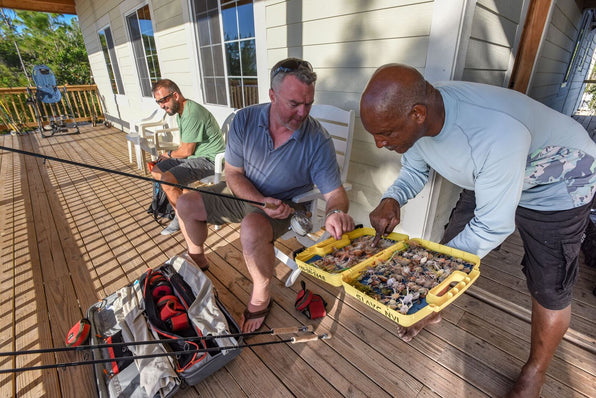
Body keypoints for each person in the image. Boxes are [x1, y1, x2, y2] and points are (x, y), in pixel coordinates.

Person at [360, 64, 596, 398]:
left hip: (559, 184)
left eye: (386, 134)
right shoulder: (417, 112)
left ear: (416, 114)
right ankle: (433, 309)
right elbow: (415, 166)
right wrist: (392, 197)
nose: (379, 143)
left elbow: (494, 224)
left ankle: (536, 371)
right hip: (491, 173)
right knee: (450, 247)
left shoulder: (493, 132)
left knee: (549, 284)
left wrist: (434, 269)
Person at [176, 58, 355, 333]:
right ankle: (198, 258)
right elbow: (233, 174)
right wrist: (259, 201)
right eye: (294, 104)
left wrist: (334, 213)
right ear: (272, 95)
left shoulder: (318, 140)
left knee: (251, 227)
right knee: (186, 202)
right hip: (244, 191)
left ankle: (261, 294)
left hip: (287, 206)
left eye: (308, 103)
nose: (303, 112)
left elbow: (335, 194)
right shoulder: (245, 119)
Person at [150, 79, 225, 235]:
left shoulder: (192, 113)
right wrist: (169, 157)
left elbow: (186, 151)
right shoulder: (180, 113)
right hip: (196, 156)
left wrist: (169, 154)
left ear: (175, 95)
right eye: (158, 102)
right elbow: (185, 148)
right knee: (157, 170)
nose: (161, 106)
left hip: (210, 160)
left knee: (167, 179)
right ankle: (181, 206)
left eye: (163, 100)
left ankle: (182, 218)